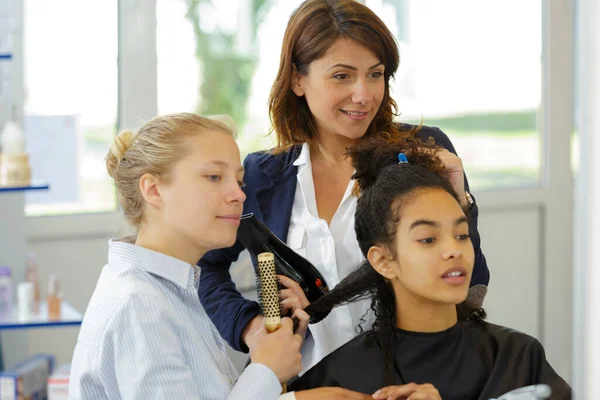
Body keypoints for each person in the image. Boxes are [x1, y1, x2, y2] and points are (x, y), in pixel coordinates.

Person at [199, 0, 490, 374]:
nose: (364, 95)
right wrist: (250, 327)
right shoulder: (262, 175)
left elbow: (471, 285)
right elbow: (206, 269)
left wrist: (459, 204)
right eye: (342, 76)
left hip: (413, 381)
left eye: (375, 74)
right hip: (305, 387)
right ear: (297, 80)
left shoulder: (422, 154)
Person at [69, 113, 345, 400]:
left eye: (239, 181)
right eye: (214, 177)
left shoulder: (170, 291)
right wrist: (266, 370)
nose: (238, 195)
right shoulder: (141, 308)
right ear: (153, 190)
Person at [288, 137, 571, 400]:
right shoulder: (339, 381)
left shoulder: (516, 358)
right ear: (383, 260)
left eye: (461, 235)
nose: (453, 250)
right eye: (428, 239)